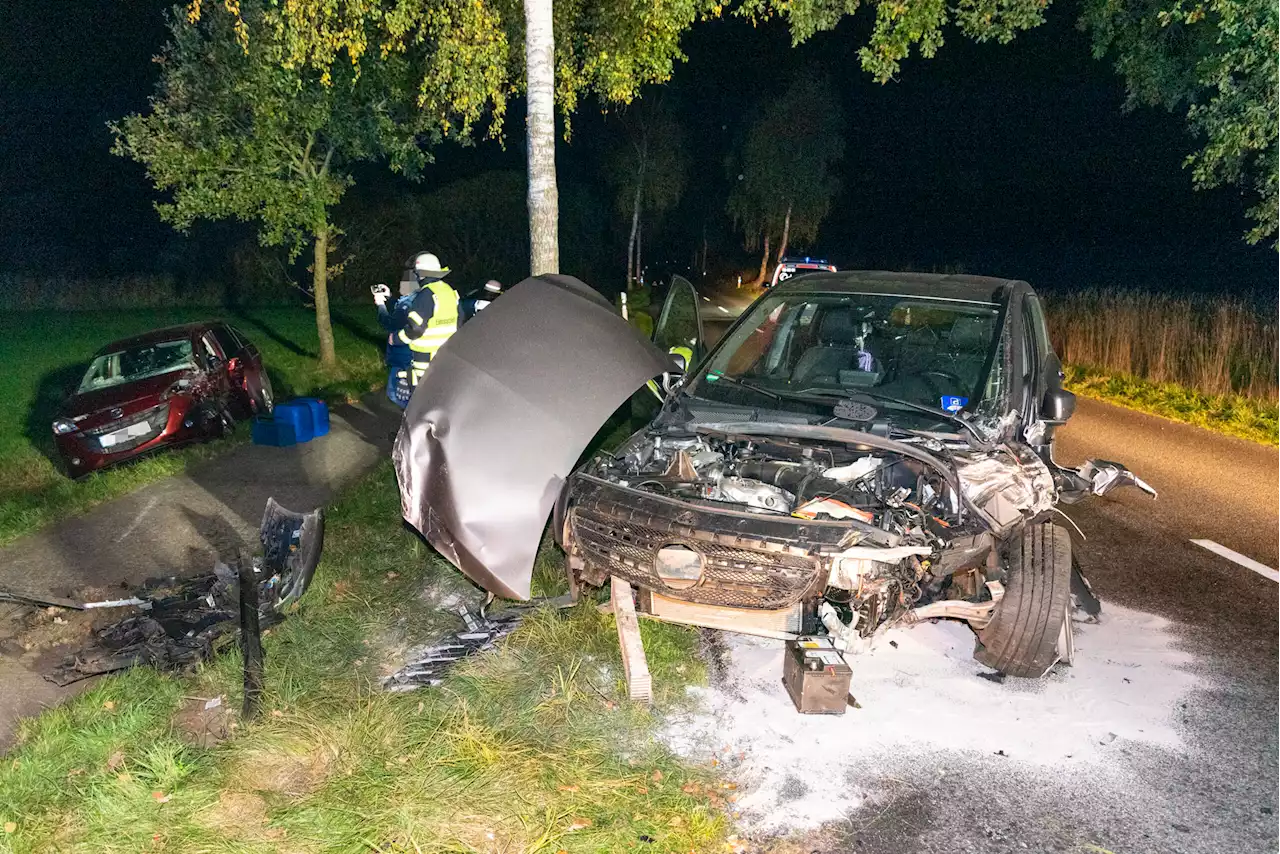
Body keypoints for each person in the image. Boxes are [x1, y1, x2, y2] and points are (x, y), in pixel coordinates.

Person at [374, 251, 459, 395]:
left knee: (419, 398)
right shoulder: (448, 291)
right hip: (446, 354)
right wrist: (389, 298)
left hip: (424, 358)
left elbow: (416, 328)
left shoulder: (427, 294)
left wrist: (395, 339)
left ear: (419, 273)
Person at [373, 266, 419, 408]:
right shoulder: (417, 300)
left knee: (396, 394)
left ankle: (411, 426)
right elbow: (400, 313)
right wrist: (389, 296)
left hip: (402, 356)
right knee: (407, 394)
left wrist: (381, 305)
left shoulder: (407, 304)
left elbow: (390, 323)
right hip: (411, 356)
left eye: (401, 284)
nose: (399, 286)